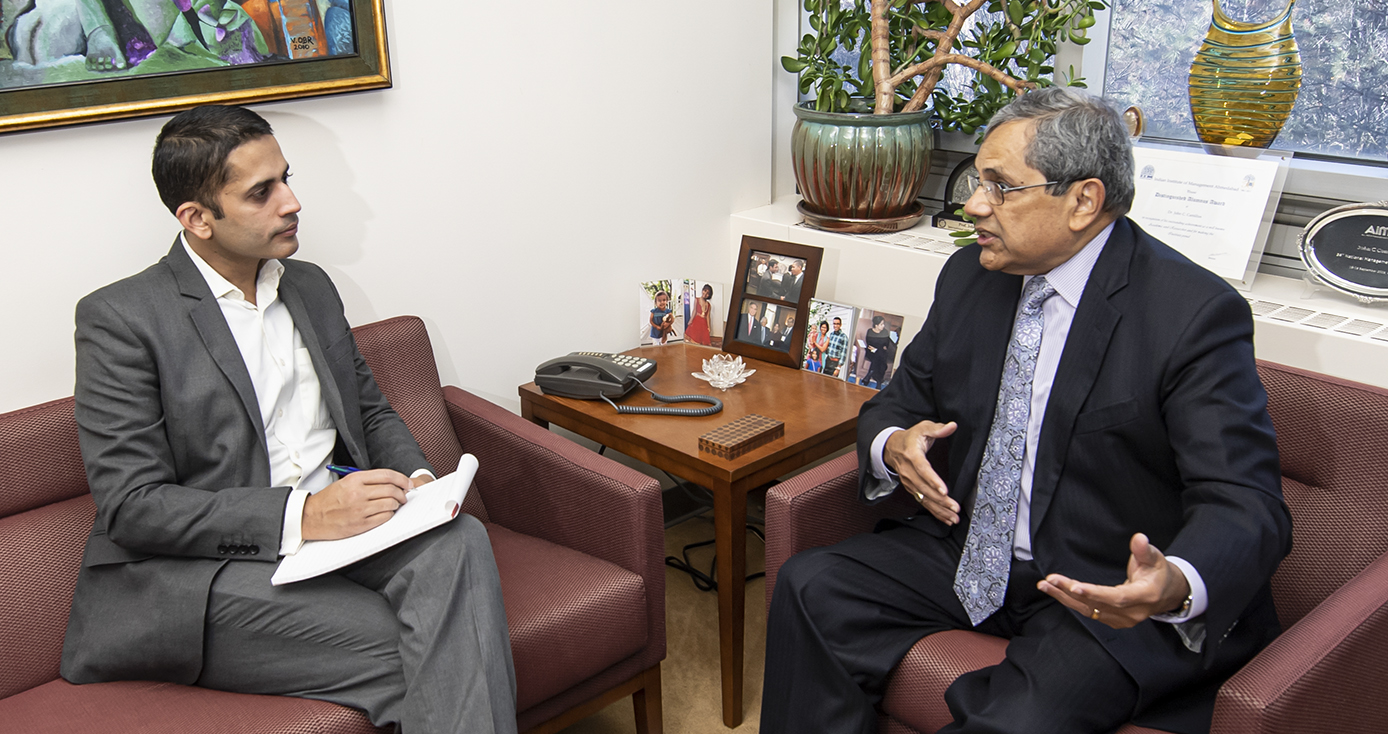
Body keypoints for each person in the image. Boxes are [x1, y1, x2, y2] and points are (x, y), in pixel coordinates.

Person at [761, 87, 1291, 734]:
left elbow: (1246, 502)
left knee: (1018, 717)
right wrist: (893, 443)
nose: (974, 204)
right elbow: (899, 401)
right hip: (966, 554)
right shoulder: (970, 276)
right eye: (978, 182)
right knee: (811, 585)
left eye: (1000, 187)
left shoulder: (1190, 315)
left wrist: (1175, 582)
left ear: (1083, 201)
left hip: (1095, 588)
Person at [62, 105, 518, 734]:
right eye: (262, 192)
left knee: (459, 540)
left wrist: (418, 483)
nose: (292, 202)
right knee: (436, 649)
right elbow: (132, 506)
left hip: (341, 536)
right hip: (204, 574)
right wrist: (304, 515)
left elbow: (369, 410)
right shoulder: (121, 318)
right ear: (196, 219)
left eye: (286, 178)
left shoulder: (309, 285)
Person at [860, 315, 896, 388]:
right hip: (871, 352)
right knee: (881, 357)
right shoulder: (870, 331)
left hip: (880, 352)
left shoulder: (885, 332)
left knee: (879, 355)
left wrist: (877, 347)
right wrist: (878, 346)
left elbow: (886, 344)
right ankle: (879, 381)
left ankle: (869, 375)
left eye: (883, 324)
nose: (883, 326)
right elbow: (869, 343)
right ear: (876, 325)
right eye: (881, 324)